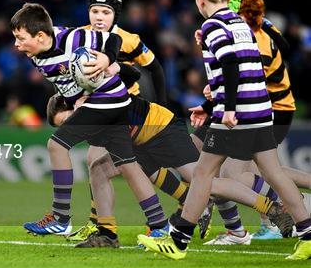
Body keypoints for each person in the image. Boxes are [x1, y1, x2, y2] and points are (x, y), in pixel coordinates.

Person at [137, 0, 311, 261]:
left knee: (202, 173)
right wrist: (207, 107)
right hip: (260, 111)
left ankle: (178, 241)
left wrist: (226, 110)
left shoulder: (213, 27)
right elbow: (246, 67)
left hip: (237, 116)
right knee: (275, 174)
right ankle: (308, 236)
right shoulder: (240, 24)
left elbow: (230, 66)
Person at [48, 91, 291, 248]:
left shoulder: (94, 101)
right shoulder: (86, 123)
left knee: (203, 181)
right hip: (139, 139)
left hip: (161, 128)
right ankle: (108, 233)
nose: (71, 127)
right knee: (99, 169)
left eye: (68, 120)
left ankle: (272, 209)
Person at [10, 3, 168, 243]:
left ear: (41, 35)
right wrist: (76, 100)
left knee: (57, 145)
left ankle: (60, 218)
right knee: (127, 164)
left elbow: (112, 39)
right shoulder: (35, 56)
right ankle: (159, 224)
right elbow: (65, 82)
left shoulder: (73, 37)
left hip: (109, 98)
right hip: (108, 104)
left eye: (20, 38)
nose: (16, 44)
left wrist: (106, 58)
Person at [190, 0, 310, 244]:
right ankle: (245, 222)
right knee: (209, 159)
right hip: (246, 104)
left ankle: (272, 216)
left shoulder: (249, 33)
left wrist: (218, 91)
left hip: (265, 107)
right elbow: (284, 46)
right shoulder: (257, 28)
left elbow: (244, 71)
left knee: (239, 174)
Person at [68, 0, 173, 242]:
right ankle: (103, 225)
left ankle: (180, 213)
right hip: (100, 110)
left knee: (120, 165)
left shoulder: (129, 39)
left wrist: (163, 104)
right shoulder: (80, 37)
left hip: (127, 109)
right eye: (94, 11)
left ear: (115, 15)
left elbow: (155, 69)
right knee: (100, 164)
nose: (99, 17)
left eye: (106, 11)